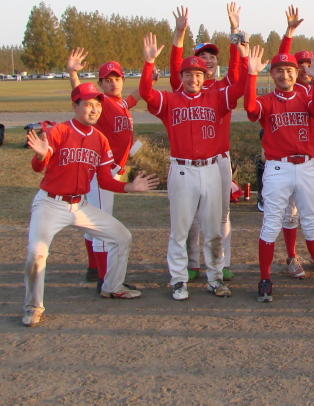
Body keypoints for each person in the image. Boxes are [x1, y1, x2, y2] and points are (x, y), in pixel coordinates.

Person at [22, 82, 159, 327]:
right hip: (50, 204)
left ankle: (112, 287)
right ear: (75, 107)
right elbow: (37, 167)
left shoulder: (100, 139)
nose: (94, 109)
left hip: (80, 206)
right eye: (88, 104)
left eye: (97, 105)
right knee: (36, 254)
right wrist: (41, 156)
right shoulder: (59, 131)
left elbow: (105, 180)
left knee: (122, 237)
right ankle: (33, 306)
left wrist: (129, 187)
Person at [139, 31, 244, 301]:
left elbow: (240, 87)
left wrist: (245, 60)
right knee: (180, 229)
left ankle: (215, 277)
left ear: (205, 76)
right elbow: (145, 93)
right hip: (182, 169)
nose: (193, 79)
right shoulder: (170, 100)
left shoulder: (215, 97)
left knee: (213, 229)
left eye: (198, 74)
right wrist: (149, 63)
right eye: (188, 74)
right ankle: (178, 280)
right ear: (181, 77)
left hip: (211, 169)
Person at [244, 46, 314, 302]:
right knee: (272, 223)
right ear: (272, 74)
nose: (284, 75)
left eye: (289, 70)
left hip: (306, 166)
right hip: (278, 168)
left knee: (310, 220)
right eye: (279, 70)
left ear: (296, 73)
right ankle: (265, 278)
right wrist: (251, 76)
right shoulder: (266, 100)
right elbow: (251, 109)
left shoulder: (306, 95)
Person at [168, 4, 248, 283]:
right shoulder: (185, 87)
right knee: (191, 219)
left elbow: (238, 66)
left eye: (212, 56)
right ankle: (191, 264)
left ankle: (220, 262)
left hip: (219, 159)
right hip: (189, 163)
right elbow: (174, 66)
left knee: (222, 215)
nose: (208, 60)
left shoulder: (224, 86)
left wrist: (235, 30)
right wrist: (179, 34)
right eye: (202, 56)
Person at [66, 49, 146, 292]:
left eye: (117, 78)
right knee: (102, 225)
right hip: (101, 172)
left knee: (93, 220)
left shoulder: (121, 103)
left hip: (109, 169)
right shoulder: (101, 104)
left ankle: (94, 269)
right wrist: (73, 73)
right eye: (108, 80)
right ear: (100, 83)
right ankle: (105, 278)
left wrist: (149, 73)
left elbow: (138, 94)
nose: (113, 83)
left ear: (123, 80)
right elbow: (81, 96)